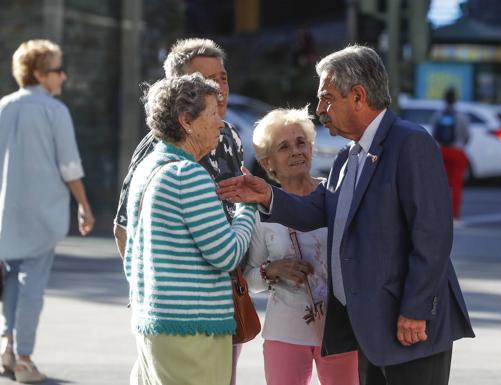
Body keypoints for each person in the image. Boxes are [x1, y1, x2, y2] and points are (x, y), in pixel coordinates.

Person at [218, 45, 474, 385]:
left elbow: (433, 237)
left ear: (358, 96)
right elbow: (317, 211)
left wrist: (415, 311)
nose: (320, 109)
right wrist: (267, 194)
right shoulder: (346, 157)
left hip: (410, 327)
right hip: (368, 329)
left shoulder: (410, 143)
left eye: (327, 98)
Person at [112, 38, 247, 384]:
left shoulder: (152, 166)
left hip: (155, 322)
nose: (220, 122)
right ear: (186, 121)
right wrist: (249, 209)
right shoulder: (187, 173)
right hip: (191, 330)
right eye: (212, 114)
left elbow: (133, 260)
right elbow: (226, 254)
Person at [0, 39, 95, 383]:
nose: (64, 76)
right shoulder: (55, 111)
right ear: (40, 74)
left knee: (12, 278)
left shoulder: (4, 106)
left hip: (6, 214)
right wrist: (84, 205)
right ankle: (24, 357)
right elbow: (69, 165)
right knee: (32, 285)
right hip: (42, 213)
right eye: (57, 70)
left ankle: (8, 347)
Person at [245, 107, 358, 385]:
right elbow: (248, 280)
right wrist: (272, 270)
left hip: (340, 329)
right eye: (284, 147)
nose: (296, 151)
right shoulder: (262, 211)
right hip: (284, 331)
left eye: (301, 142)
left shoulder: (334, 195)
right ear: (268, 163)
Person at [430, 87, 470, 227]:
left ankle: (439, 216)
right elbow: (466, 136)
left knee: (441, 186)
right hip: (457, 151)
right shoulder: (462, 117)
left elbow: (434, 133)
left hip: (441, 151)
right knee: (457, 185)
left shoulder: (437, 115)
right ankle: (455, 217)